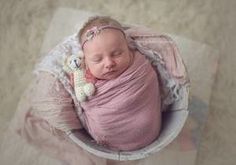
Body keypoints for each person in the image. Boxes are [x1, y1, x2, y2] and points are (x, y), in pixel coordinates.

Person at [10, 15, 188, 165]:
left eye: (117, 53)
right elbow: (79, 94)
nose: (109, 63)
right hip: (115, 133)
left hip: (150, 128)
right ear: (85, 61)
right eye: (97, 59)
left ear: (129, 48)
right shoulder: (83, 76)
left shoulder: (140, 63)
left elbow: (152, 79)